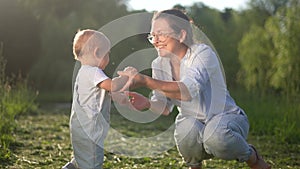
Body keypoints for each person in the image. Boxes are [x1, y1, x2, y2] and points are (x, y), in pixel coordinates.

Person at [118, 9, 271, 169]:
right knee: (186, 130)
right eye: (152, 36)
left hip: (225, 117)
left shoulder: (202, 54)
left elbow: (187, 91)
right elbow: (165, 107)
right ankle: (194, 165)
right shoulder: (159, 64)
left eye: (161, 34)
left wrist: (145, 80)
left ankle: (252, 157)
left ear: (181, 35)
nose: (155, 41)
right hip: (193, 121)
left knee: (216, 137)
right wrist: (148, 103)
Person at [62, 29, 128, 169]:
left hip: (81, 127)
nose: (109, 58)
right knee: (92, 161)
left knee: (83, 154)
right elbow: (113, 85)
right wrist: (128, 77)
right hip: (90, 130)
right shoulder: (94, 72)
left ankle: (72, 166)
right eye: (108, 54)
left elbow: (106, 91)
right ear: (97, 52)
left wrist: (121, 97)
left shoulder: (83, 72)